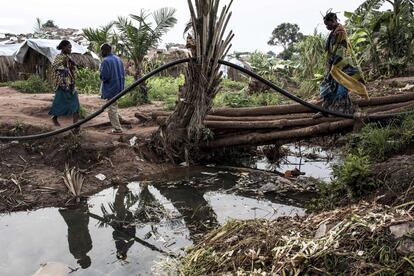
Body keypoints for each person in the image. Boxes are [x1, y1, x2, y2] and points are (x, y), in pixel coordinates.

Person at [313, 11, 369, 119]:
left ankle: (341, 113)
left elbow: (341, 50)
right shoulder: (334, 32)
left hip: (343, 66)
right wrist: (330, 63)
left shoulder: (340, 32)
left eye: (327, 24)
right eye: (325, 25)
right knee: (327, 87)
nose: (327, 27)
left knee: (341, 90)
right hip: (334, 66)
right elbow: (331, 50)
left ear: (333, 21)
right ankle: (325, 110)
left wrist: (333, 63)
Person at [49, 40, 80, 127]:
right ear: (63, 47)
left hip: (71, 84)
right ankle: (54, 118)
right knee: (59, 104)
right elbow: (55, 68)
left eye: (71, 47)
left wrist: (71, 69)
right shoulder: (59, 57)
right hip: (62, 85)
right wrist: (64, 69)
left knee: (76, 105)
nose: (70, 49)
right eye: (69, 47)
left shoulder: (69, 58)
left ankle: (75, 126)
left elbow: (73, 70)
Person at [99, 43, 125, 134]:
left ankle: (117, 129)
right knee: (114, 105)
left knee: (111, 108)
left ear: (104, 51)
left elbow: (104, 77)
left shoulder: (105, 61)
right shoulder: (118, 59)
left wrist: (100, 74)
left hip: (111, 87)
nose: (100, 53)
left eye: (101, 51)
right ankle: (120, 120)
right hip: (119, 86)